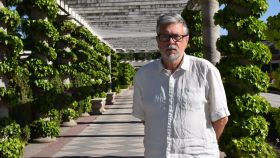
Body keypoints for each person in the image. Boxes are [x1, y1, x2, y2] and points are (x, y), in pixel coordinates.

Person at [132, 13, 230, 158]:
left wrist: (204, 145)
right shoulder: (143, 75)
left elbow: (221, 117)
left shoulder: (205, 70)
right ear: (158, 41)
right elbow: (145, 118)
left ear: (186, 40)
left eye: (176, 36)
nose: (171, 42)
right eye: (164, 36)